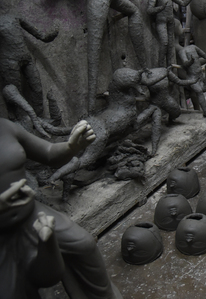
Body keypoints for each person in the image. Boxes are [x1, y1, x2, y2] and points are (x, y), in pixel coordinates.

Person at [0, 117, 121, 298]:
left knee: (84, 245)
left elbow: (48, 153)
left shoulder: (5, 127)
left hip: (30, 212)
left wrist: (71, 147)